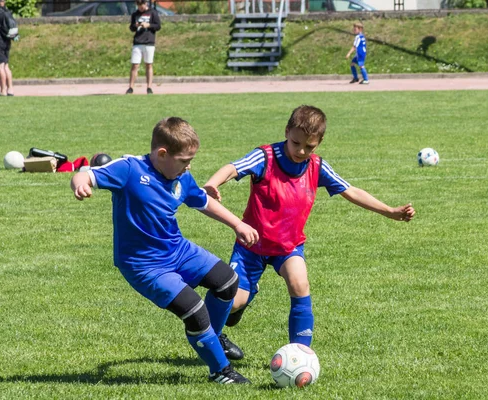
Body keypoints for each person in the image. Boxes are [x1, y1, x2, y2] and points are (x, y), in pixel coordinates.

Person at [203, 105, 415, 359]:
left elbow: (352, 191)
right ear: (286, 132)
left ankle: (300, 355)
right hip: (252, 246)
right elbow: (233, 167)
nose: (301, 151)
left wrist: (389, 211)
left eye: (309, 147)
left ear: (319, 143)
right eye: (296, 143)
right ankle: (212, 341)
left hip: (288, 246)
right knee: (234, 300)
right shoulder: (266, 157)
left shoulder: (317, 167)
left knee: (300, 283)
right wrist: (213, 183)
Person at [70, 117, 259, 384]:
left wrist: (238, 224)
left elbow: (203, 202)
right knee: (195, 310)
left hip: (178, 249)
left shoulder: (182, 176)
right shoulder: (129, 169)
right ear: (162, 154)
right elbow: (85, 173)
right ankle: (221, 371)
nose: (189, 165)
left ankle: (213, 339)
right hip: (144, 265)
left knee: (227, 282)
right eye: (184, 160)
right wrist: (80, 183)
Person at [126, 0, 160, 95]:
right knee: (135, 65)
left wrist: (148, 25)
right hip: (138, 42)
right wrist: (135, 26)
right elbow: (131, 28)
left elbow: (158, 26)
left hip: (149, 42)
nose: (141, 8)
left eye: (142, 5)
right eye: (139, 6)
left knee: (148, 64)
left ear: (146, 4)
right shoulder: (135, 14)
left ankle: (149, 87)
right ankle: (131, 87)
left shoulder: (153, 12)